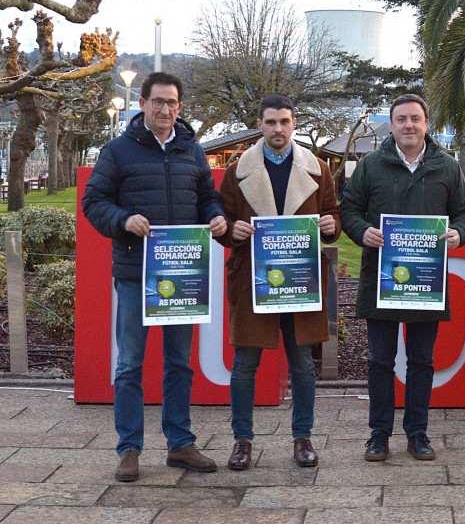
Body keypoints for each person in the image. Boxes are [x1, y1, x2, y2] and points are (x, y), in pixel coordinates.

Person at [82, 72, 227, 482]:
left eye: (173, 103)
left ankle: (180, 444)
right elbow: (94, 202)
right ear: (142, 103)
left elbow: (207, 197)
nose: (165, 110)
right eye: (158, 102)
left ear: (180, 107)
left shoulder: (192, 151)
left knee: (179, 363)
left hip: (182, 274)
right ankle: (129, 449)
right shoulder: (117, 151)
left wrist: (216, 217)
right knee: (129, 365)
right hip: (135, 274)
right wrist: (124, 219)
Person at [340, 93, 465, 462]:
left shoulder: (446, 166)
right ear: (393, 124)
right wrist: (362, 231)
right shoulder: (371, 164)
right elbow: (348, 209)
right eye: (401, 119)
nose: (408, 125)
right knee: (380, 361)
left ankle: (418, 433)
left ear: (426, 124)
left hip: (425, 283)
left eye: (415, 118)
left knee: (421, 362)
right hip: (380, 281)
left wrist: (458, 234)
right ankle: (378, 435)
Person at [215, 95, 341, 470]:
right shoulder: (237, 170)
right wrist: (231, 231)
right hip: (254, 280)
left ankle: (303, 438)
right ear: (260, 124)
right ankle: (242, 441)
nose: (278, 129)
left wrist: (333, 227)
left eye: (284, 122)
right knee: (244, 364)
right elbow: (221, 219)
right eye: (270, 122)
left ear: (294, 123)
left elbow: (334, 213)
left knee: (302, 363)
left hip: (300, 280)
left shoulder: (318, 168)